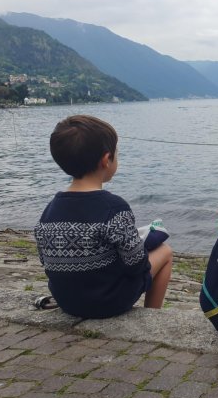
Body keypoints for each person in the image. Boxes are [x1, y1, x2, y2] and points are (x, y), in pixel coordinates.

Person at [34, 115, 173, 319]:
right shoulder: (114, 208)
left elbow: (45, 260)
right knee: (165, 251)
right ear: (106, 160)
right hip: (108, 302)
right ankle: (152, 317)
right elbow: (137, 265)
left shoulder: (49, 210)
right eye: (117, 153)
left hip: (67, 301)